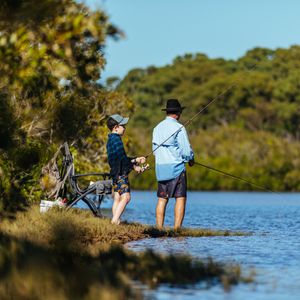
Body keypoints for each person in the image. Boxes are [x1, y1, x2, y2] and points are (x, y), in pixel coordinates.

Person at [152, 99, 194, 229]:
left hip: (160, 168)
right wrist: (191, 159)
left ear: (167, 112)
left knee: (162, 199)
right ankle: (177, 230)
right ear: (178, 112)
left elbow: (154, 151)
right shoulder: (178, 127)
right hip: (176, 169)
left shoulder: (157, 128)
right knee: (180, 198)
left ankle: (159, 228)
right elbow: (186, 151)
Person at [106, 114, 146, 224]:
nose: (125, 128)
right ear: (116, 127)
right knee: (126, 197)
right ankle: (114, 221)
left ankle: (116, 221)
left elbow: (121, 158)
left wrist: (136, 159)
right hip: (121, 173)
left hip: (114, 173)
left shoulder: (111, 139)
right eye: (123, 126)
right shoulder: (117, 140)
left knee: (117, 198)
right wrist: (134, 166)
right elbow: (123, 160)